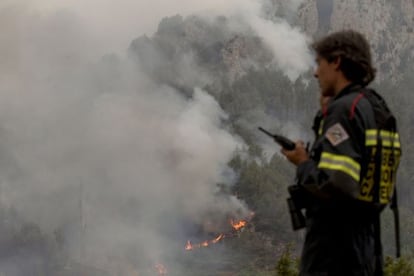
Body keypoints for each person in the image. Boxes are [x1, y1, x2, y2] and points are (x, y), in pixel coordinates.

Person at [281, 30, 401, 276]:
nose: (315, 72)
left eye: (319, 63)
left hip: (335, 251)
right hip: (366, 245)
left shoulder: (344, 110)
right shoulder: (373, 106)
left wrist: (303, 163)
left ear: (337, 61)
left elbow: (338, 184)